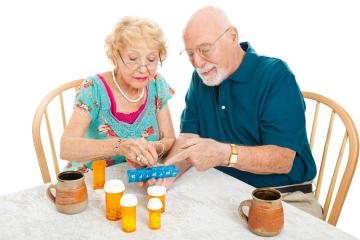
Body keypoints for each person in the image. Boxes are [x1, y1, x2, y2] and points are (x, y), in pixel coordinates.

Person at [164, 6, 323, 218]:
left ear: (232, 36)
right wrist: (164, 172)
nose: (198, 63)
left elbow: (283, 159)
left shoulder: (275, 75)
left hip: (284, 198)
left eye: (205, 49)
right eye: (191, 53)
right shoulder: (200, 78)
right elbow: (188, 138)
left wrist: (223, 154)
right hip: (225, 191)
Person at [60, 16, 175, 174]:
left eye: (151, 59)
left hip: (134, 178)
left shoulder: (157, 85)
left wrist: (152, 147)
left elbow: (169, 139)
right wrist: (120, 146)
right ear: (115, 56)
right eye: (133, 59)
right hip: (93, 180)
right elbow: (66, 147)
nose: (143, 68)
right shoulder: (93, 88)